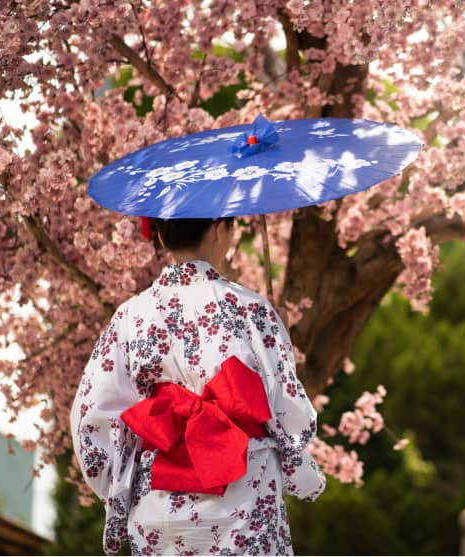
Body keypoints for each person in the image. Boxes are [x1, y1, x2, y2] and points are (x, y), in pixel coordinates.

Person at [70, 217, 325, 556]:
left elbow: (92, 417)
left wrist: (115, 491)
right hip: (244, 495)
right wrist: (297, 465)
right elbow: (290, 413)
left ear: (159, 236)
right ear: (221, 227)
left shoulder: (130, 315)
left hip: (158, 500)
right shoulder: (252, 310)